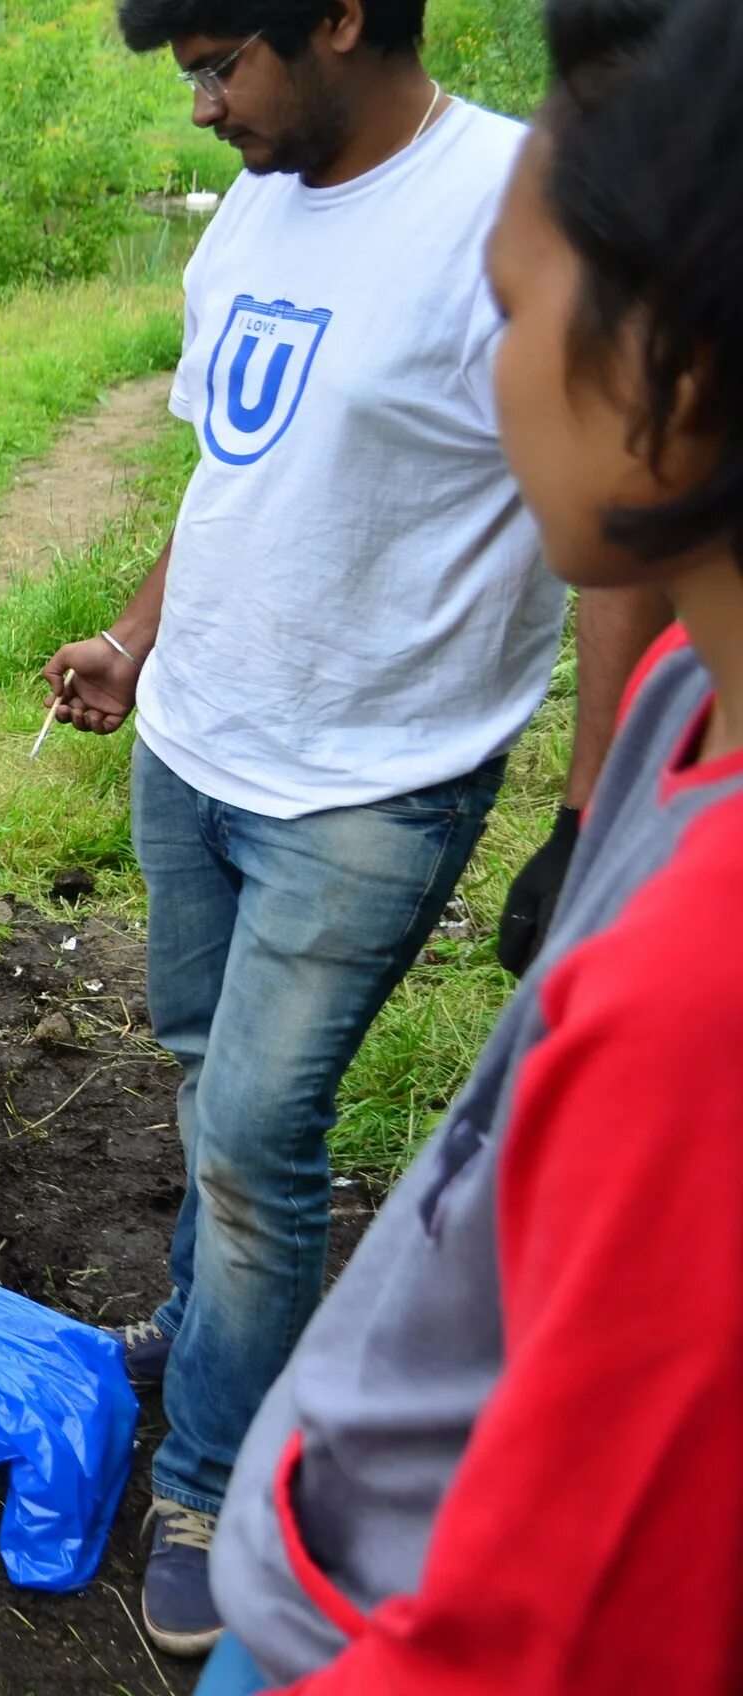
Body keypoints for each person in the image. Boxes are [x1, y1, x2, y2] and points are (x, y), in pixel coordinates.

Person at [43, 0, 669, 1656]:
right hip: (198, 738)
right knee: (200, 1069)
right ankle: (200, 1323)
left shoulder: (512, 208)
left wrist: (591, 814)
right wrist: (133, 636)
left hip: (376, 778)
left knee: (258, 1134)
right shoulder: (259, 198)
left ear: (334, 19)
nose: (200, 107)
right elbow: (237, 472)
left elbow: (616, 526)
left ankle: (213, 1475)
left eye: (216, 64)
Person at [196, 2, 743, 1690]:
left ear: (681, 367)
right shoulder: (684, 702)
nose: (496, 367)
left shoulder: (702, 998)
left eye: (516, 314)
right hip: (351, 1521)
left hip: (376, 1628)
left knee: (254, 1128)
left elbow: (567, 1626)